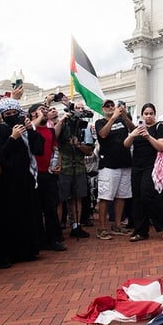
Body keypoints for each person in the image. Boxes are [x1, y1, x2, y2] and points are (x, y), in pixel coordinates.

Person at [0, 98, 43, 268]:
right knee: (6, 216)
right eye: (7, 114)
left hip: (25, 178)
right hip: (6, 181)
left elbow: (38, 150)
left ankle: (26, 250)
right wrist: (12, 138)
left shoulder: (27, 129)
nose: (12, 116)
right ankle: (3, 255)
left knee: (26, 214)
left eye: (14, 113)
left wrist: (31, 130)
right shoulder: (0, 130)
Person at [123, 103, 163, 241]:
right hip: (137, 166)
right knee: (137, 198)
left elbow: (162, 147)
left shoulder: (159, 128)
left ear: (154, 114)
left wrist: (148, 137)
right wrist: (133, 134)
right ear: (142, 115)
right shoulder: (138, 128)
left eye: (151, 113)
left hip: (152, 166)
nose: (148, 116)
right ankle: (141, 231)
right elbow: (126, 145)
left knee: (148, 193)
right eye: (146, 114)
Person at [95, 99, 134, 240]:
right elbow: (103, 135)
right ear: (102, 109)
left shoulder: (122, 121)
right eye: (107, 106)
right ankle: (102, 228)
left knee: (121, 196)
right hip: (108, 165)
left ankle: (117, 225)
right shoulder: (100, 122)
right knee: (105, 197)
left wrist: (124, 116)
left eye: (113, 105)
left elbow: (133, 129)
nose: (111, 107)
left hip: (124, 163)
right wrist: (113, 118)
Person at [28, 103, 66, 252]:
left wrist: (59, 165)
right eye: (41, 110)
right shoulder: (29, 129)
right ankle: (38, 239)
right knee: (35, 208)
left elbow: (55, 149)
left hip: (48, 174)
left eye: (46, 109)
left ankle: (54, 238)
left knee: (51, 206)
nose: (45, 112)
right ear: (32, 114)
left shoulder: (50, 131)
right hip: (33, 174)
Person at [55, 102, 95, 239]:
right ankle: (56, 229)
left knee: (77, 198)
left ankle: (76, 226)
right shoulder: (63, 123)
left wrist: (78, 145)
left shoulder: (86, 128)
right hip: (63, 167)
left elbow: (89, 151)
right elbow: (54, 137)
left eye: (81, 109)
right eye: (76, 109)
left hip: (79, 167)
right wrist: (62, 120)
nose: (78, 112)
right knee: (59, 199)